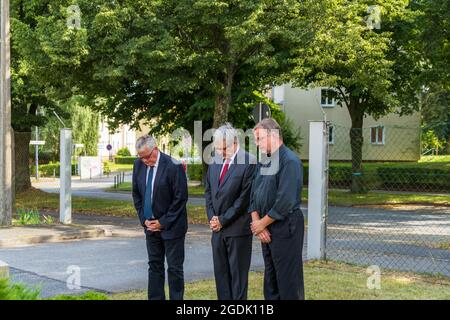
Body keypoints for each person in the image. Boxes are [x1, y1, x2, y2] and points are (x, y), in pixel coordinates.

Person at [248, 118, 305, 300]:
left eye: (259, 138)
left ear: (273, 135)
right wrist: (258, 223)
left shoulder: (290, 161)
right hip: (266, 226)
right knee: (271, 279)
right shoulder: (264, 161)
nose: (257, 144)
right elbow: (253, 195)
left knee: (287, 280)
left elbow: (285, 201)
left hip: (286, 226)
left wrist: (261, 224)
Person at [132, 135, 188, 300]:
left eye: (147, 157)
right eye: (141, 157)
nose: (144, 161)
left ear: (155, 149)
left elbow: (180, 198)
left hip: (172, 227)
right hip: (150, 227)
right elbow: (137, 195)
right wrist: (144, 219)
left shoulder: (173, 165)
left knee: (174, 268)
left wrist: (162, 222)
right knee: (154, 267)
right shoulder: (138, 165)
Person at [205, 123, 256, 300]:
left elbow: (244, 198)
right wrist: (212, 218)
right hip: (217, 231)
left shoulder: (249, 162)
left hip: (237, 230)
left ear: (234, 142)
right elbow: (209, 192)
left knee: (238, 278)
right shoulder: (215, 160)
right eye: (217, 148)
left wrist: (223, 220)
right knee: (221, 276)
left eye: (223, 148)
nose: (220, 152)